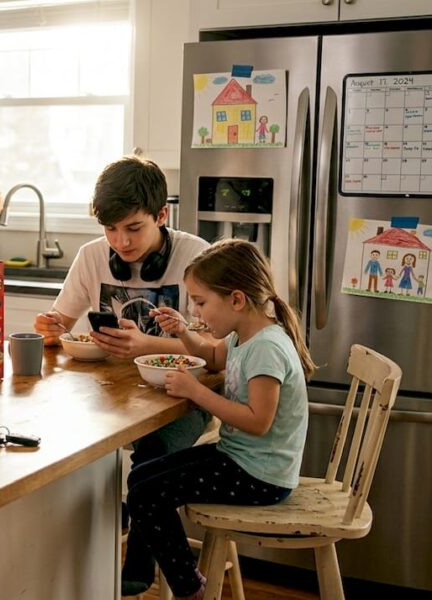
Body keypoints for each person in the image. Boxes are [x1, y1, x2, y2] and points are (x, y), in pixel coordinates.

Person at [33, 155, 211, 593]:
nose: (120, 242)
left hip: (182, 397)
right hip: (106, 396)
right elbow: (61, 322)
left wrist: (149, 345)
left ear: (162, 215)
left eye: (133, 228)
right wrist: (51, 328)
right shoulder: (92, 257)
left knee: (150, 451)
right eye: (110, 229)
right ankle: (81, 553)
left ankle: (138, 561)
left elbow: (215, 350)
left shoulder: (197, 257)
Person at [126, 239, 315, 599]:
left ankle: (189, 587)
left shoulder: (267, 349)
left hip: (261, 476)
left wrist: (197, 393)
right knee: (141, 478)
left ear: (236, 299)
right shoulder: (244, 334)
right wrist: (182, 331)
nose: (196, 313)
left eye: (200, 302)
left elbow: (259, 420)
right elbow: (211, 357)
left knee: (147, 494)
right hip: (242, 459)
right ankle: (186, 576)